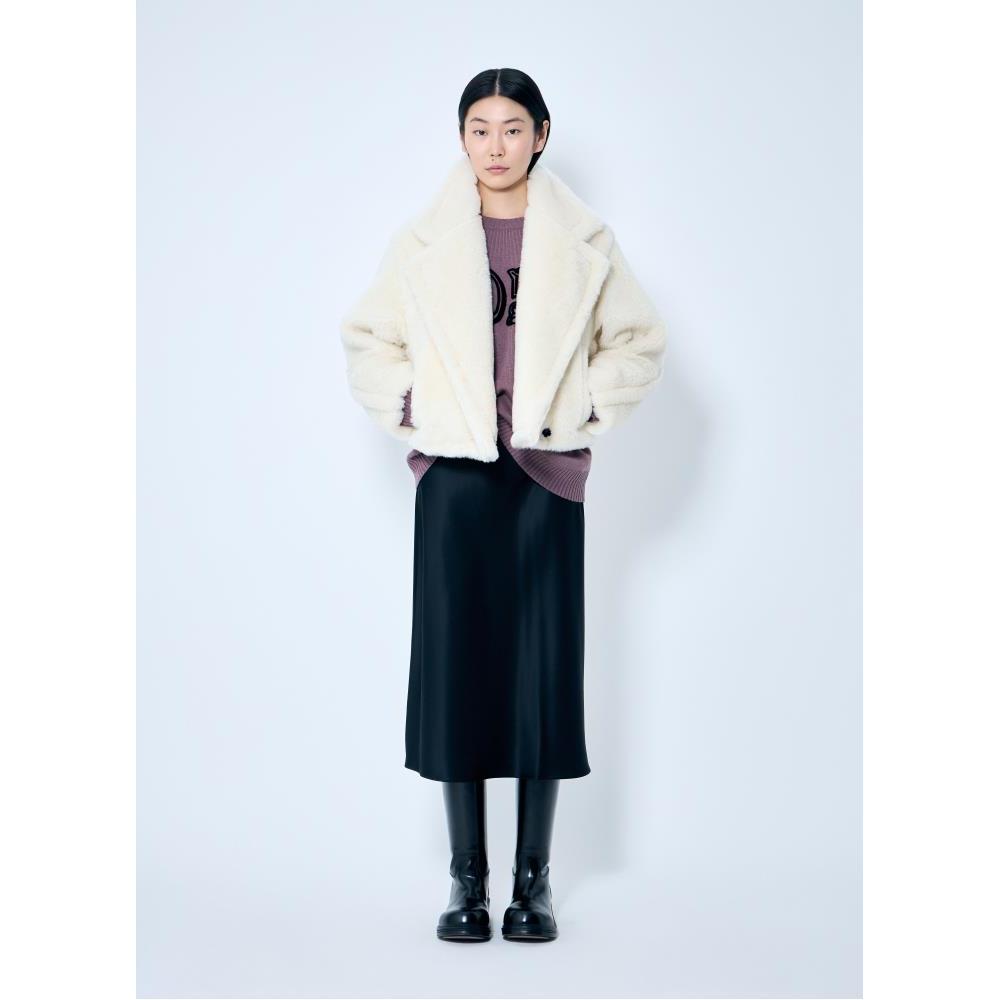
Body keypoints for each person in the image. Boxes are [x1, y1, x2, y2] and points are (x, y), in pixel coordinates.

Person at [340, 68, 667, 942]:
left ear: (541, 136)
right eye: (480, 128)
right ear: (462, 138)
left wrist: (580, 408)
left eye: (512, 128)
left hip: (544, 478)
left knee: (541, 678)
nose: (496, 145)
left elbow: (638, 341)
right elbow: (368, 340)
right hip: (456, 481)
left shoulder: (587, 239)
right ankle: (467, 883)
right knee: (458, 675)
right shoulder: (423, 241)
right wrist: (420, 408)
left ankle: (534, 884)